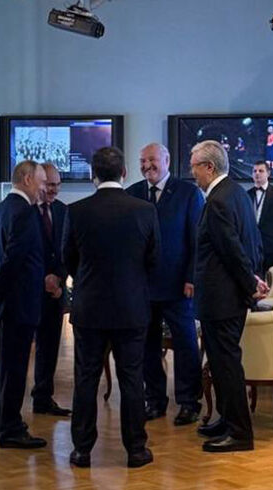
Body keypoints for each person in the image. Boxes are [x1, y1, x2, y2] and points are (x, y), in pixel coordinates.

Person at [63, 147, 160, 468]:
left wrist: (86, 280)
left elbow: (68, 259)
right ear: (124, 173)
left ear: (93, 174)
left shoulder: (76, 211)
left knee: (85, 378)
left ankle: (81, 450)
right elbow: (154, 259)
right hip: (131, 307)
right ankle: (136, 449)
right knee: (132, 379)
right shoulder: (145, 211)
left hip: (89, 308)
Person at [190, 140, 268, 453]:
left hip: (222, 299)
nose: (192, 173)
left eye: (195, 167)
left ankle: (239, 433)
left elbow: (231, 250)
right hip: (229, 297)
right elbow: (252, 242)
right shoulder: (235, 192)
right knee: (222, 364)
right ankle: (226, 419)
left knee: (226, 366)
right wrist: (253, 278)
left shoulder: (218, 200)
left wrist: (250, 283)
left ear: (209, 167)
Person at [126, 143, 205, 426]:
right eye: (142, 161)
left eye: (152, 160)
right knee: (147, 346)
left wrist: (191, 277)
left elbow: (197, 239)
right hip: (142, 287)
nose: (147, 165)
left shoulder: (188, 193)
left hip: (178, 286)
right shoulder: (132, 194)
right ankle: (155, 400)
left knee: (185, 344)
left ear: (167, 160)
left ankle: (189, 402)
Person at [0, 160, 47, 449]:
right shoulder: (26, 214)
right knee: (15, 369)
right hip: (18, 305)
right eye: (42, 182)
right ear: (27, 179)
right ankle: (11, 429)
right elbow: (14, 260)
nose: (44, 188)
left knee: (5, 367)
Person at [31, 162, 71, 417]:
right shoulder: (24, 211)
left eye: (57, 185)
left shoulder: (63, 211)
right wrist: (42, 279)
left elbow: (68, 250)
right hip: (29, 292)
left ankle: (43, 398)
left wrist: (58, 278)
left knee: (49, 348)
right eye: (49, 185)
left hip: (55, 294)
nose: (54, 190)